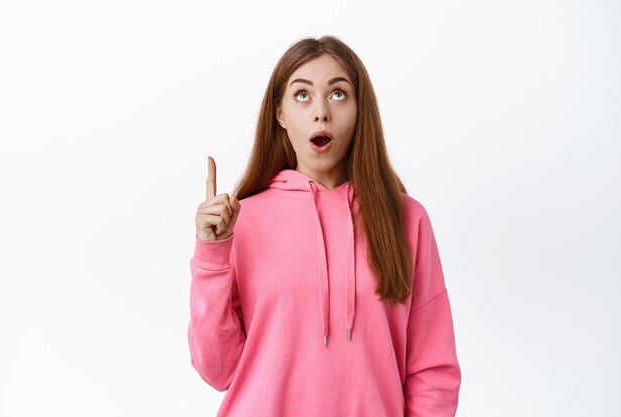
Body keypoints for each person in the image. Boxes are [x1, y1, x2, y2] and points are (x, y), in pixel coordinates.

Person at [188, 35, 462, 417]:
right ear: (279, 114)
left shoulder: (405, 219)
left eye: (338, 95)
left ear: (359, 109)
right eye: (302, 95)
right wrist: (211, 256)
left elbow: (432, 369)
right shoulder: (242, 221)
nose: (321, 112)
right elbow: (217, 370)